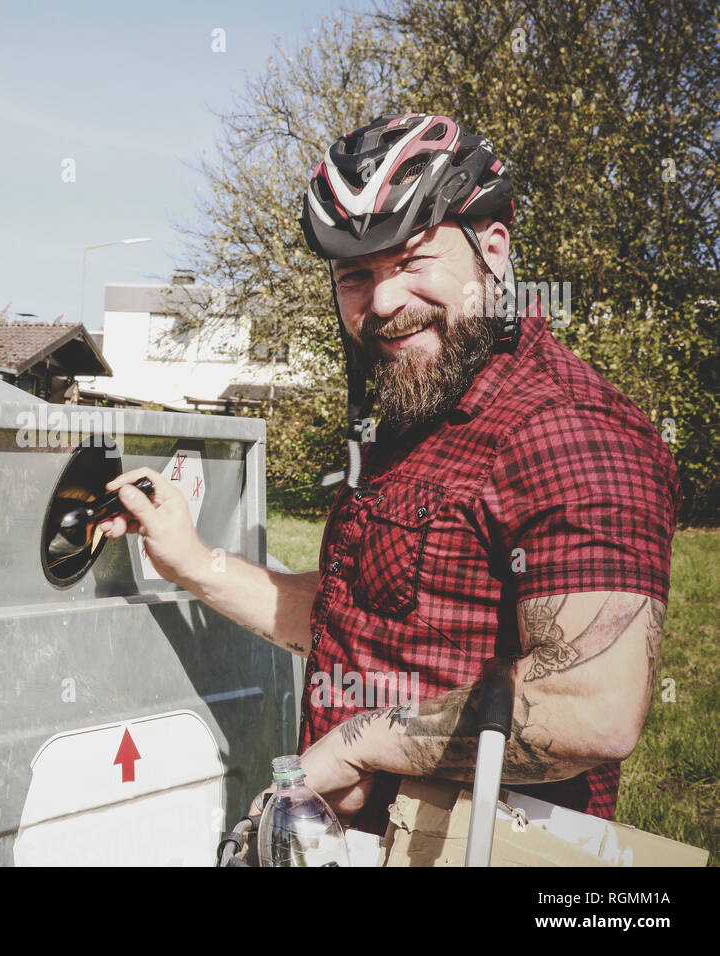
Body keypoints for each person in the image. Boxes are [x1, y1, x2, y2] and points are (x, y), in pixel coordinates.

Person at [100, 113, 679, 835]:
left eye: (410, 263)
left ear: (492, 251)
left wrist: (360, 746)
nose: (382, 303)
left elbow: (592, 707)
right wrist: (192, 563)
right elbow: (365, 626)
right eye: (356, 275)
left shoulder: (570, 430)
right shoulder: (422, 412)